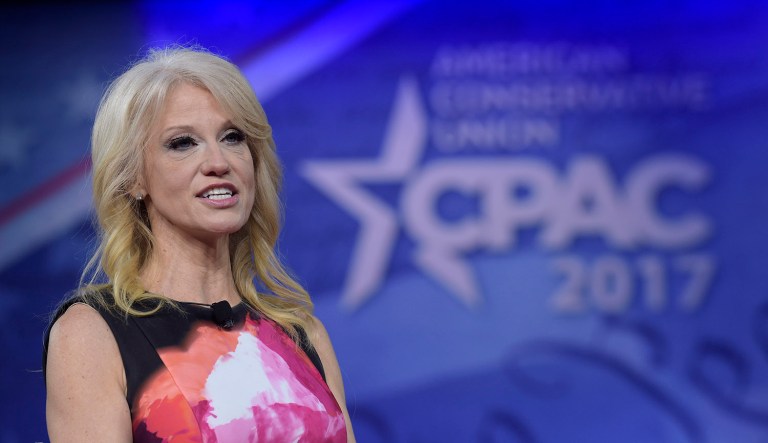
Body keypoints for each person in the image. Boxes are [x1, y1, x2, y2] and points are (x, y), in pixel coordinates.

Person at [43, 45, 355, 442]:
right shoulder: (92, 333)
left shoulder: (303, 335)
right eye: (182, 143)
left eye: (232, 137)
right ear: (134, 178)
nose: (218, 161)